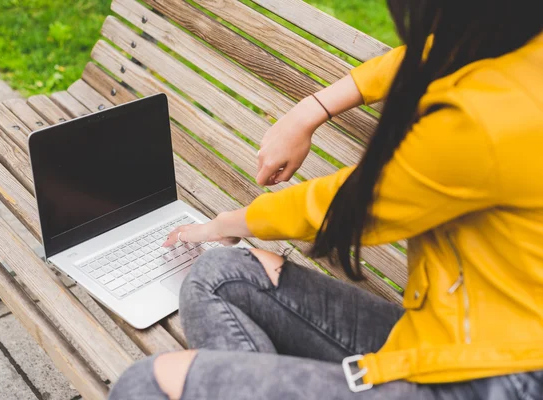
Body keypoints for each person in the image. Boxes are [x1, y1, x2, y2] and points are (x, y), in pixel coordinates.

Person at [109, 0, 543, 398]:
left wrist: (224, 223)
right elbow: (428, 57)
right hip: (445, 335)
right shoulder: (517, 49)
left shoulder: (486, 118)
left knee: (147, 385)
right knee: (220, 273)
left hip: (493, 379)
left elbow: (349, 206)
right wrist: (311, 109)